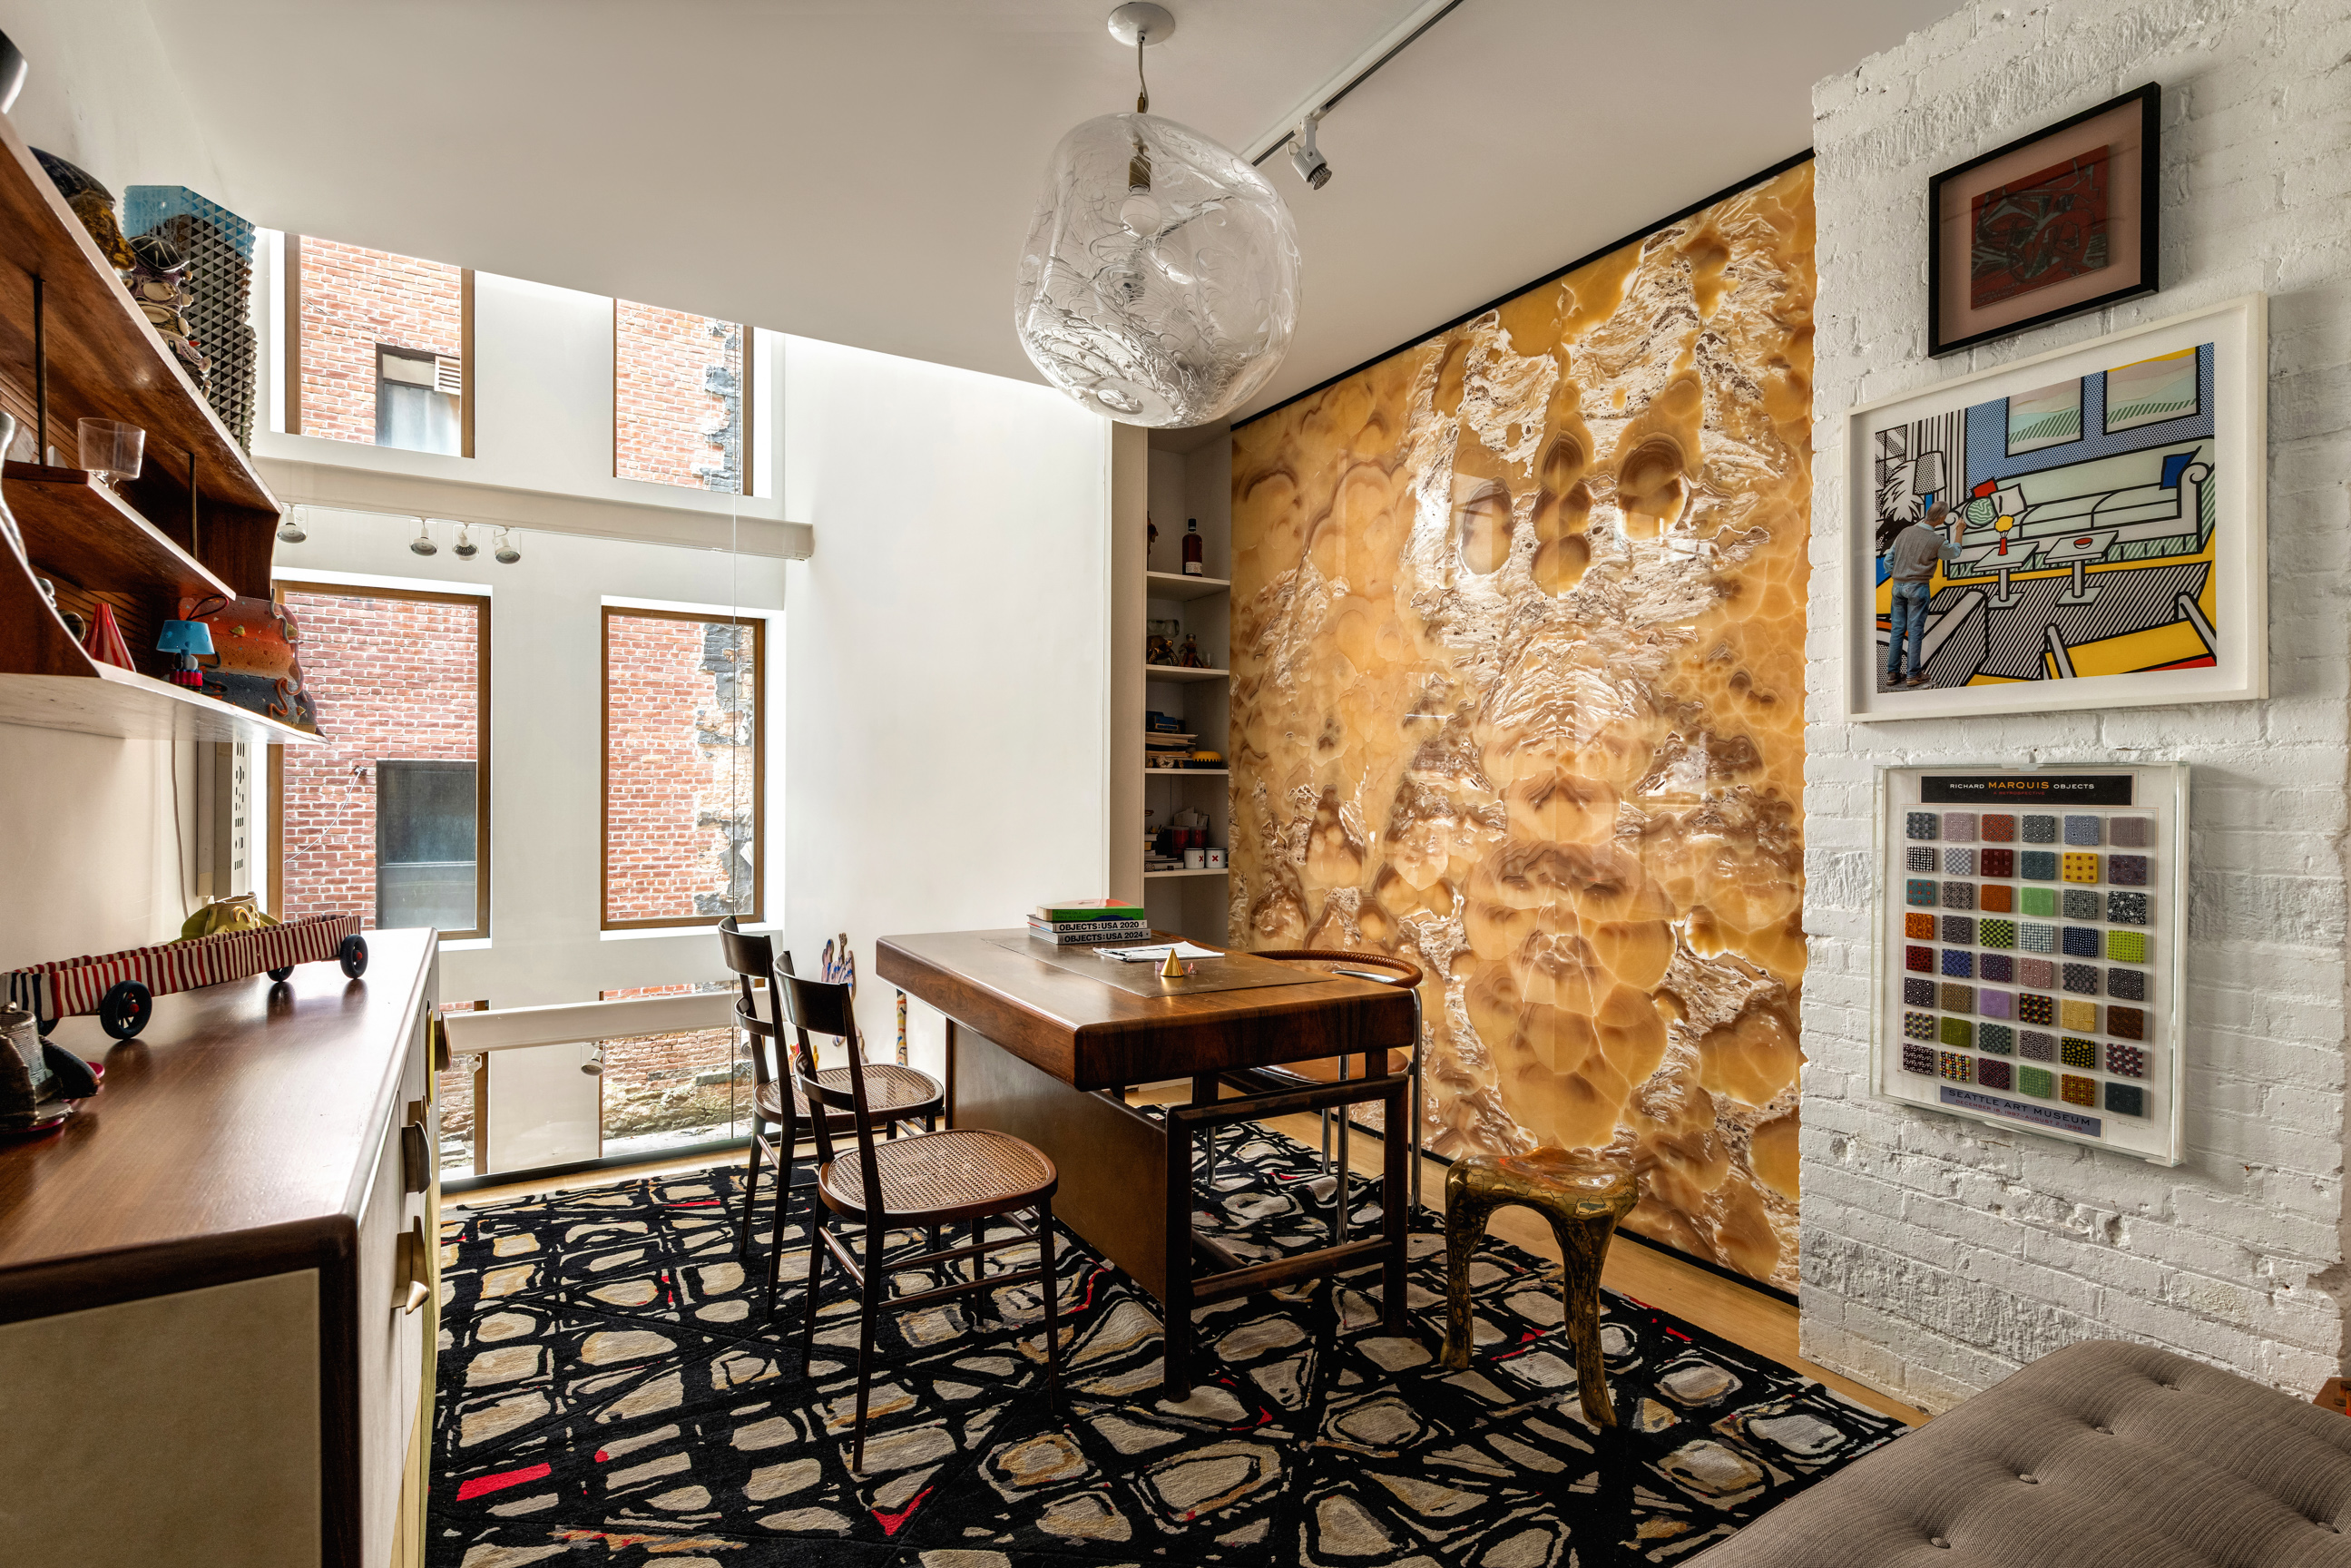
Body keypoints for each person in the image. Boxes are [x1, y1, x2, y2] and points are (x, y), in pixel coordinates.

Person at [1883, 501, 1964, 687]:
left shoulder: (1904, 532)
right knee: (1915, 631)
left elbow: (1888, 560)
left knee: (1896, 630)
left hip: (1897, 586)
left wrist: (1898, 574)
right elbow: (1954, 553)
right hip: (1918, 587)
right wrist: (1959, 531)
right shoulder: (1937, 541)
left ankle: (1892, 674)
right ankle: (1913, 674)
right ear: (1943, 518)